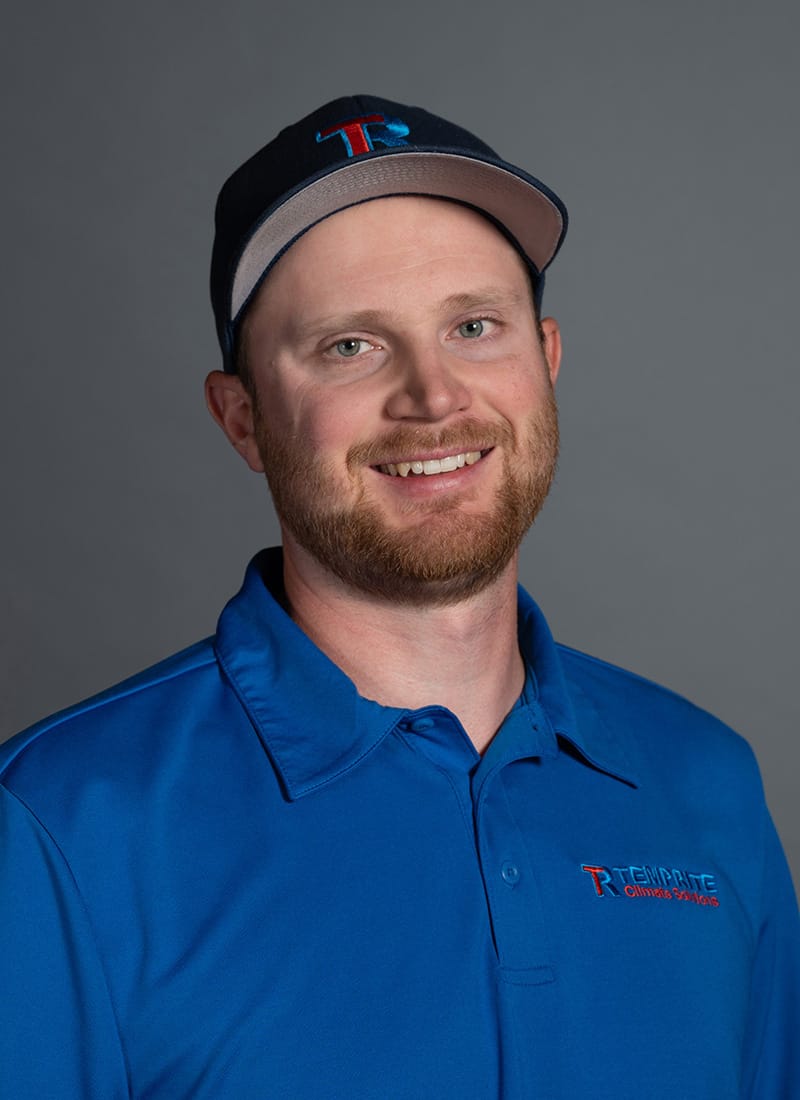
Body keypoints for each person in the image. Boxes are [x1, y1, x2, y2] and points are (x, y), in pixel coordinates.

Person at [0, 94, 797, 1099]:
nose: (431, 396)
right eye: (349, 346)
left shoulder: (705, 785)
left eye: (472, 325)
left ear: (543, 363)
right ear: (242, 419)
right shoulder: (55, 826)